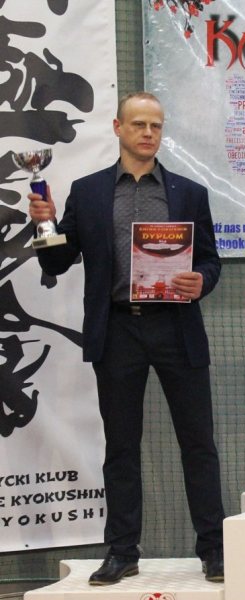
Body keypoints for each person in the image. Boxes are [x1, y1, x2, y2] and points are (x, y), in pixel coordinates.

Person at [28, 92, 226, 585]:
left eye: (155, 125)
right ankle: (121, 551)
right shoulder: (88, 192)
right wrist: (44, 223)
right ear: (118, 128)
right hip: (117, 329)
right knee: (121, 447)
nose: (148, 133)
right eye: (138, 124)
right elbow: (57, 261)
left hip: (176, 327)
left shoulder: (189, 193)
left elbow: (209, 260)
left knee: (198, 443)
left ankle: (214, 550)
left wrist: (202, 281)